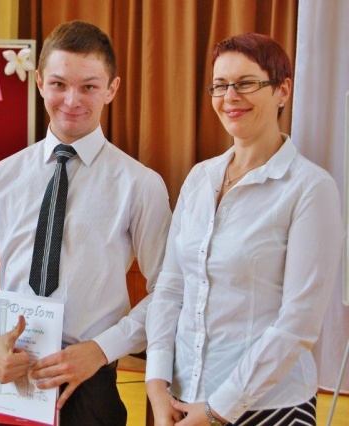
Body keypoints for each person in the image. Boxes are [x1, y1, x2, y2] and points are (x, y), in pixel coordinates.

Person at [0, 20, 172, 425]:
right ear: (39, 83)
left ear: (112, 89)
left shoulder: (140, 185)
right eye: (58, 84)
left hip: (88, 382)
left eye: (88, 86)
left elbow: (169, 292)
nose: (72, 100)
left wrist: (102, 349)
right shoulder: (2, 177)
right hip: (6, 375)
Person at [145, 33, 344, 426]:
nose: (230, 96)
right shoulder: (200, 178)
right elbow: (171, 287)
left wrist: (217, 408)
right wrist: (155, 381)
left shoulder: (310, 187)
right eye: (220, 85)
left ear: (282, 90)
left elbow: (299, 322)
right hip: (178, 398)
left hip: (268, 408)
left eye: (246, 83)